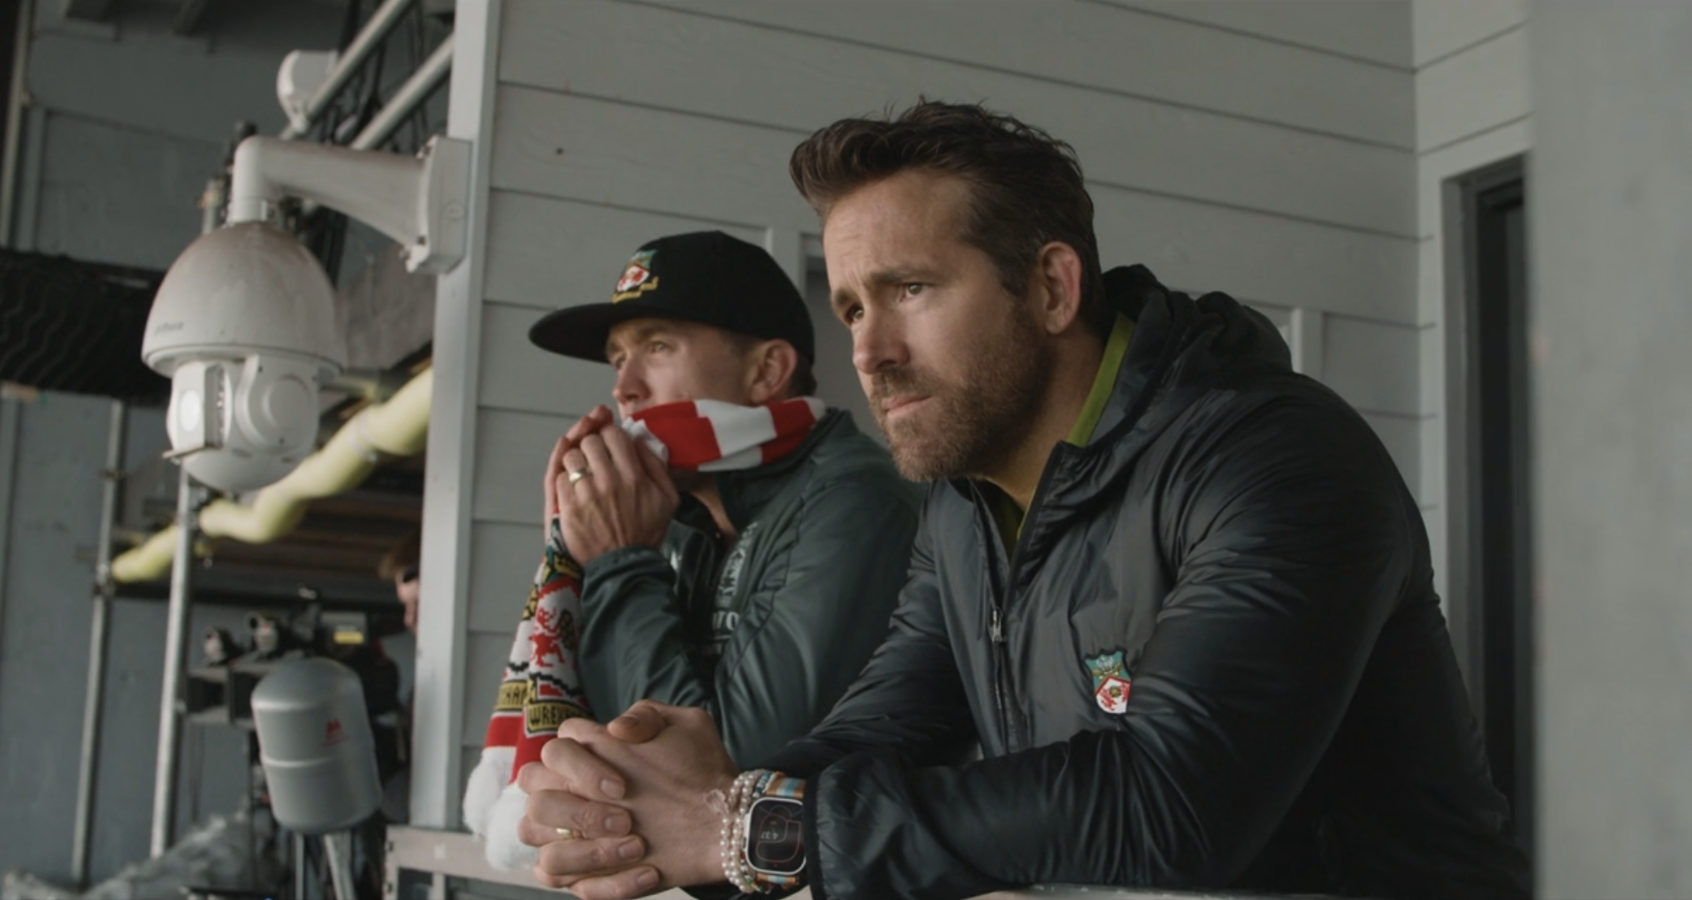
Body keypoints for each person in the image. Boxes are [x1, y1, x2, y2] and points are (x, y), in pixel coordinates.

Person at [513, 103, 1532, 899]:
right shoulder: (963, 507)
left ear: (1051, 288)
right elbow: (873, 735)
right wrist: (668, 806)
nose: (867, 352)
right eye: (853, 307)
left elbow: (1169, 811)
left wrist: (744, 828)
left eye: (910, 289)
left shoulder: (1274, 455)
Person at [527, 230, 923, 768]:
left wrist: (619, 563)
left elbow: (718, 769)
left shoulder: (854, 502)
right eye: (618, 359)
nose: (625, 388)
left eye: (657, 346)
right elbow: (600, 738)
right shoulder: (673, 518)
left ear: (766, 372)